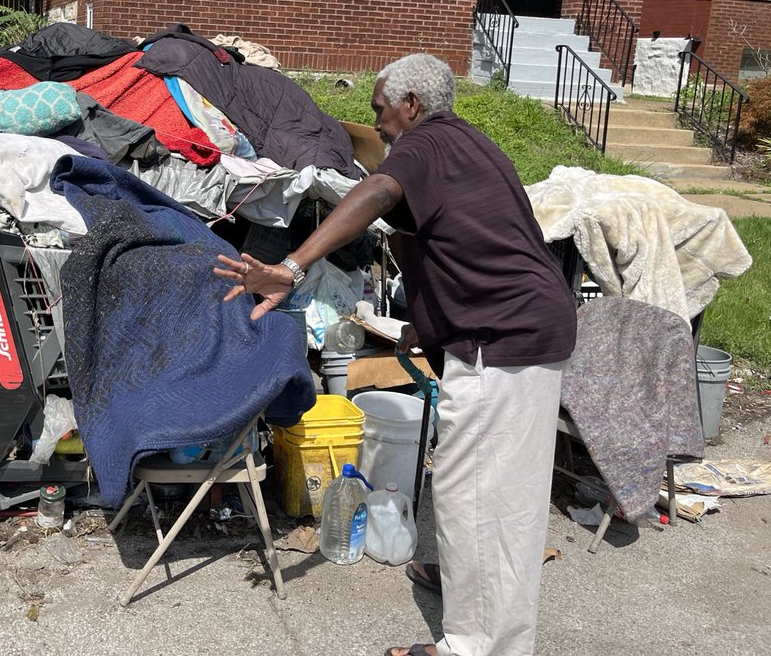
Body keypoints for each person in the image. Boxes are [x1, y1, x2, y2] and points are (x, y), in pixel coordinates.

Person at [215, 53, 577, 656]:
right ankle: (474, 594)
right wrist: (427, 327)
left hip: (502, 340)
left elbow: (378, 190)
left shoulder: (424, 143)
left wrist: (290, 266)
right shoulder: (466, 145)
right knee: (491, 490)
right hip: (520, 328)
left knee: (482, 496)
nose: (377, 124)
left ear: (412, 104)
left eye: (380, 109)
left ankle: (479, 644)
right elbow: (472, 244)